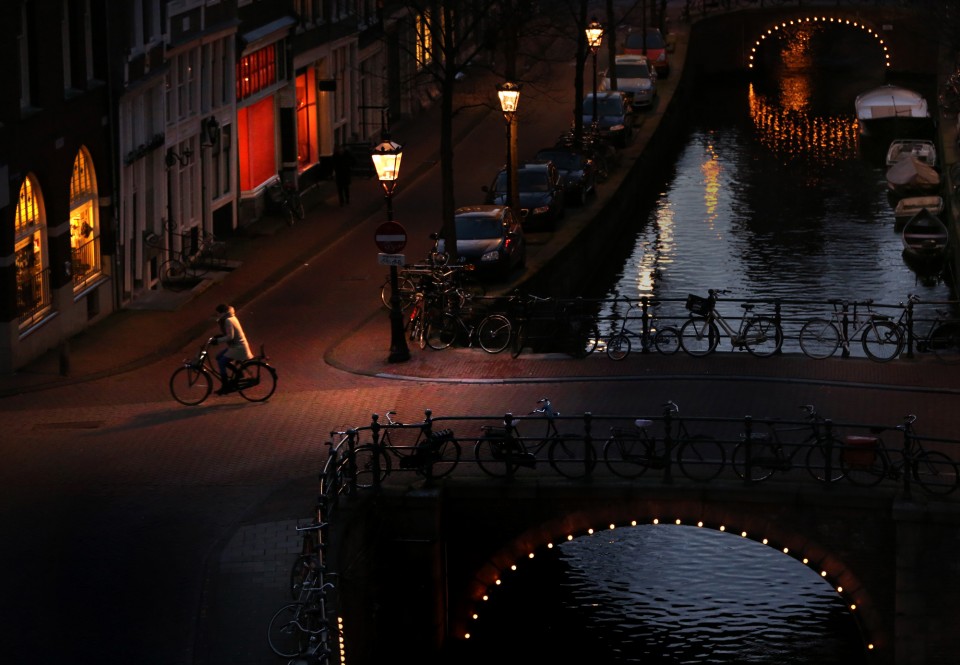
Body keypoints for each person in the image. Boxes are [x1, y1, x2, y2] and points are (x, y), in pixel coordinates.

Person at [212, 304, 253, 394]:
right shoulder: (231, 317)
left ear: (222, 313)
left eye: (218, 313)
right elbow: (229, 334)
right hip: (236, 346)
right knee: (219, 356)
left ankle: (225, 385)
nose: (217, 316)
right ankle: (238, 373)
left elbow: (230, 336)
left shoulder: (228, 320)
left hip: (238, 348)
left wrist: (217, 341)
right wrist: (219, 337)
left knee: (221, 362)